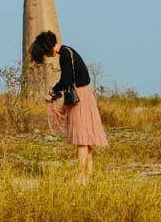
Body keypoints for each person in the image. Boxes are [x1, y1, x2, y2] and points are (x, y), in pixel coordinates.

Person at [30, 30, 107, 180]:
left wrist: (52, 92)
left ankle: (81, 177)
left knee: (81, 139)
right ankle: (88, 176)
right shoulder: (68, 51)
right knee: (87, 140)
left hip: (79, 97)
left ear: (47, 48)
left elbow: (65, 80)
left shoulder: (65, 55)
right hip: (85, 95)